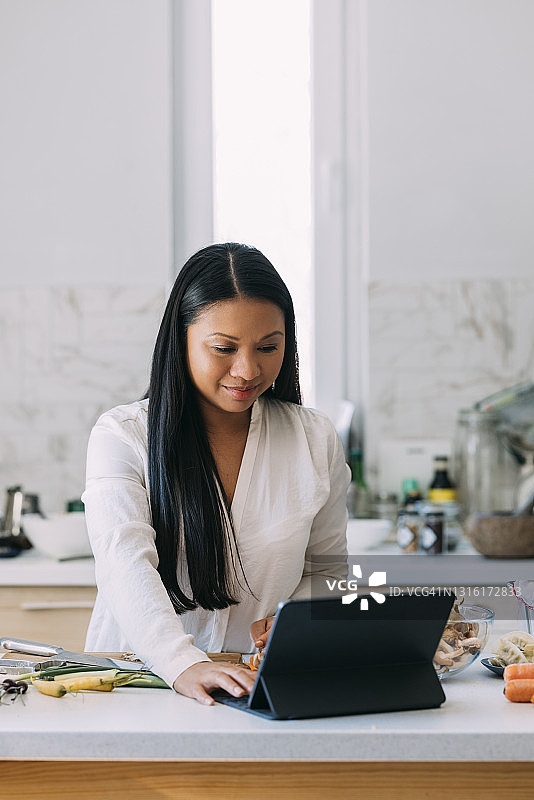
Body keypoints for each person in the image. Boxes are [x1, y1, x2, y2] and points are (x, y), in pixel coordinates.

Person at [82, 242, 350, 705]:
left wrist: (295, 615)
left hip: (254, 686)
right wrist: (181, 662)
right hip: (136, 685)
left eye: (268, 347)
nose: (247, 370)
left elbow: (326, 568)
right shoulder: (123, 435)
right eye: (224, 348)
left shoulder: (314, 437)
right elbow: (123, 561)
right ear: (181, 339)